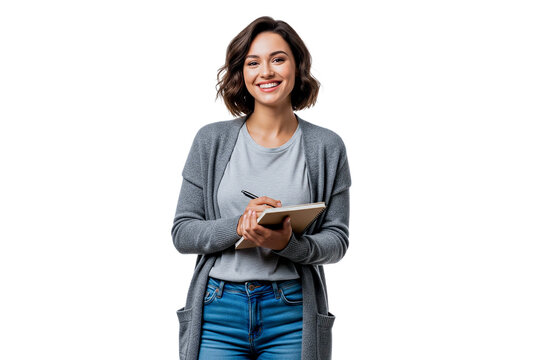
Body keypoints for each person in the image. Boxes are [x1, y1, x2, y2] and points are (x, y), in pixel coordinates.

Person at [171, 16, 351, 360]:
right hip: (218, 310)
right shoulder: (211, 141)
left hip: (292, 312)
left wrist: (288, 244)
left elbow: (337, 241)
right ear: (242, 74)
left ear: (297, 66)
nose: (266, 71)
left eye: (278, 59)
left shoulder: (326, 147)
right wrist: (240, 225)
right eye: (253, 62)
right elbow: (183, 232)